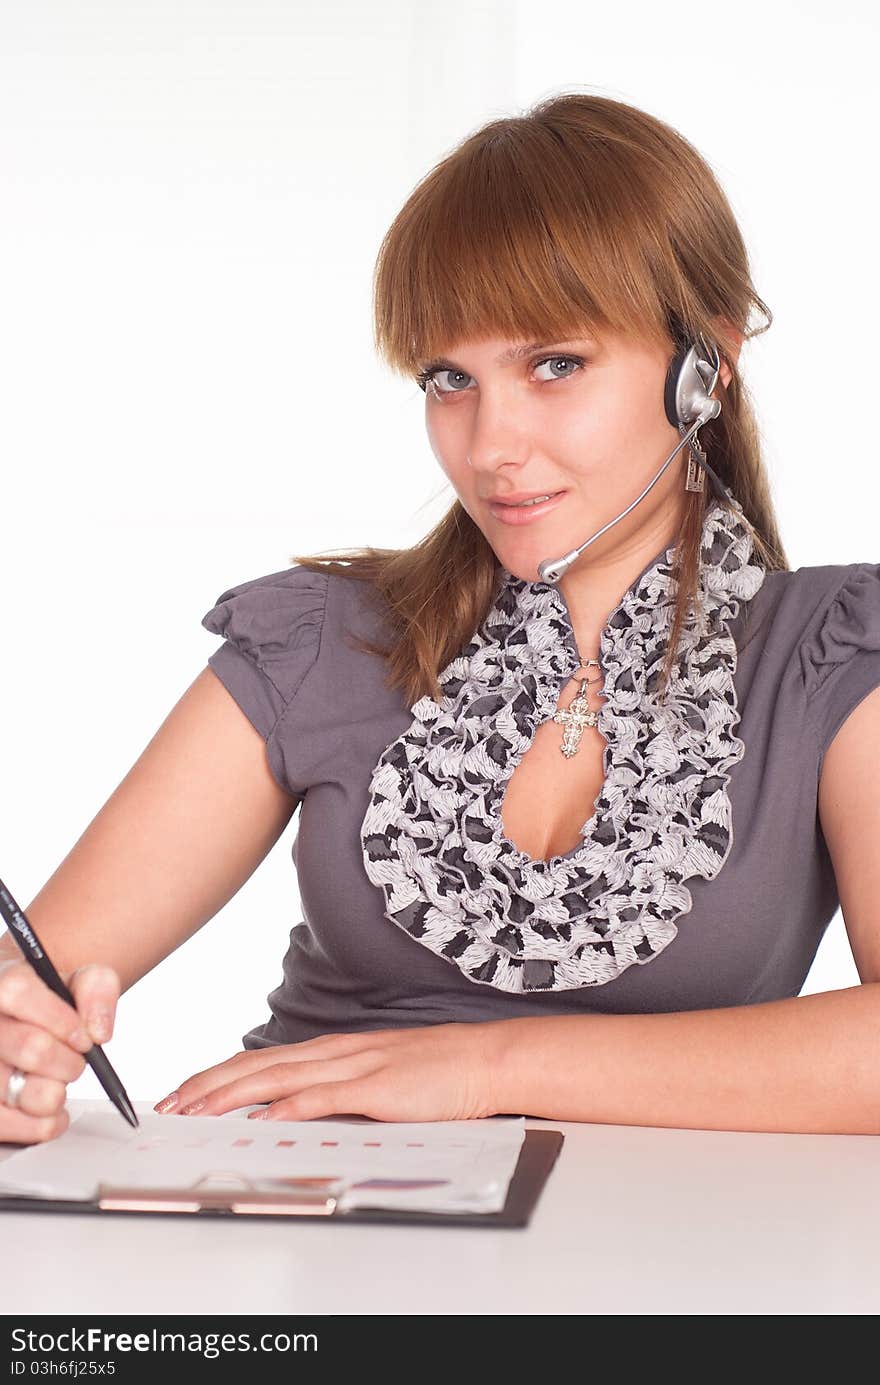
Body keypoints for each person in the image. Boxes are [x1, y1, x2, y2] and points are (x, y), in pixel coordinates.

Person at [3, 92, 879, 1147]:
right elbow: (38, 977)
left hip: (664, 1264)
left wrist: (483, 1065)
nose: (490, 443)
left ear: (706, 367)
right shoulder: (319, 640)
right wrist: (18, 1050)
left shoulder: (831, 651)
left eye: (554, 364)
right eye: (448, 378)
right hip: (301, 1220)